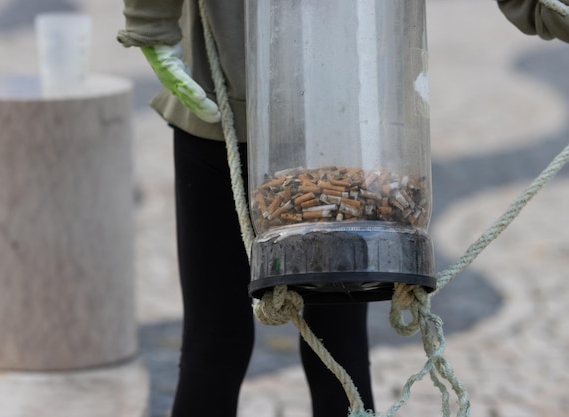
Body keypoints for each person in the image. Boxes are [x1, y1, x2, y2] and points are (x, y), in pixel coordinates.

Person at [117, 1, 569, 417]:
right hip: (236, 115)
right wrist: (150, 23)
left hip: (333, 126)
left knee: (304, 346)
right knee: (227, 343)